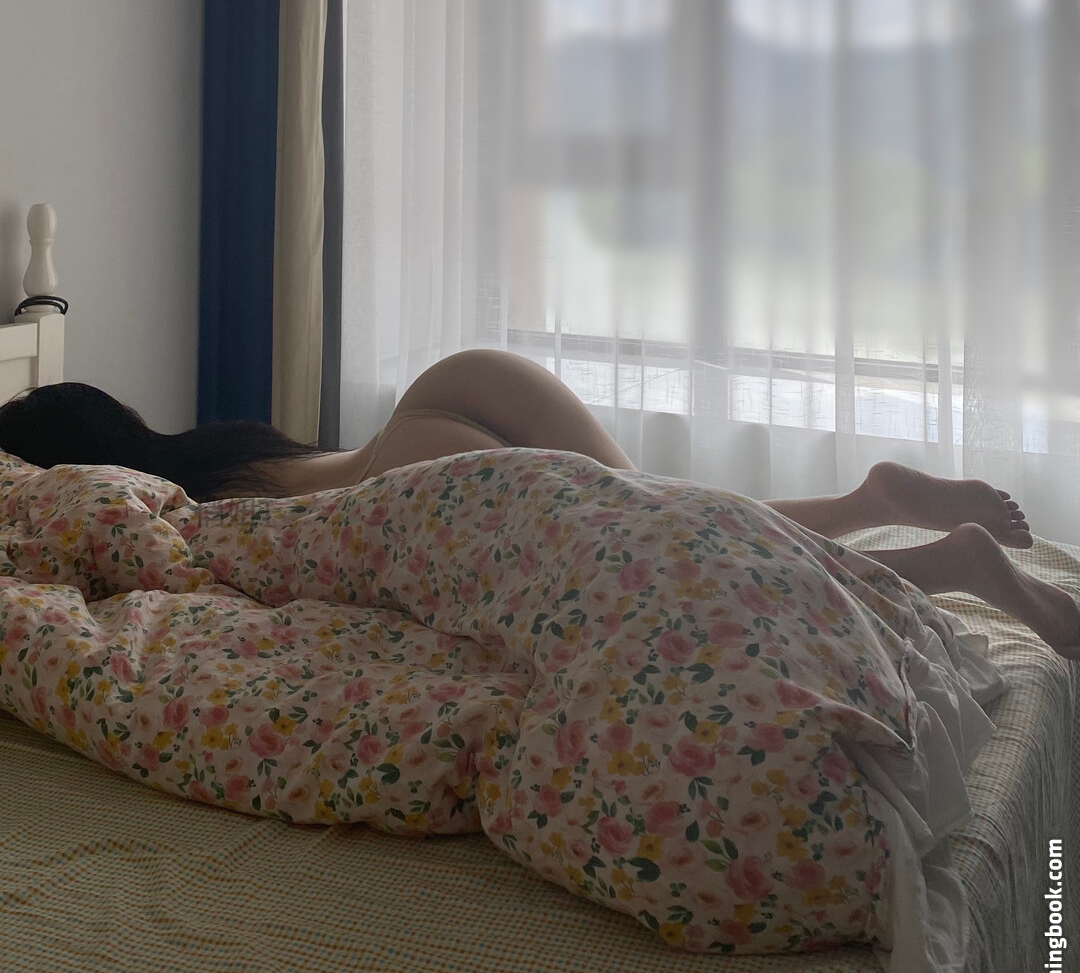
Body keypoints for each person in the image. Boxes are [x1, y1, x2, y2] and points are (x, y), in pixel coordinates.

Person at [2, 348, 1078, 656]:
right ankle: (871, 501)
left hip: (412, 483)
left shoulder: (131, 511)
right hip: (458, 389)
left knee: (677, 561)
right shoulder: (217, 450)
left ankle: (944, 562)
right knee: (677, 518)